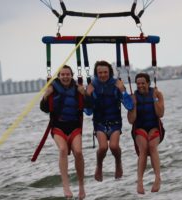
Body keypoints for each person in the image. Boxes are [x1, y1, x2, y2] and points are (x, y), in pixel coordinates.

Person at [40, 65, 86, 199]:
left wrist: (85, 94)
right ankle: (66, 186)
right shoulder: (52, 89)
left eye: (67, 74)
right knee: (62, 150)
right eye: (62, 75)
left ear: (71, 75)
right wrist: (45, 96)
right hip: (58, 127)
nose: (65, 77)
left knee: (78, 152)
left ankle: (81, 186)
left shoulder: (78, 89)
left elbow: (89, 106)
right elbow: (44, 109)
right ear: (59, 76)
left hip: (74, 127)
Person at [85, 60, 134, 182]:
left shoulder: (117, 85)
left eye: (105, 72)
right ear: (96, 73)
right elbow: (88, 112)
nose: (102, 75)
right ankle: (99, 166)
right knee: (102, 148)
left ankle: (118, 162)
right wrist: (87, 95)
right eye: (100, 72)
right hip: (99, 123)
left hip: (115, 123)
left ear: (110, 72)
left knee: (113, 146)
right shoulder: (92, 86)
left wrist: (123, 90)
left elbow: (129, 106)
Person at [127, 73, 165, 194]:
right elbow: (131, 120)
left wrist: (155, 99)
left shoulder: (157, 94)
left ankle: (158, 178)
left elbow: (160, 114)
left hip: (155, 128)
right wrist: (133, 105)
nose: (140, 86)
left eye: (143, 83)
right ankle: (140, 181)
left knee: (152, 146)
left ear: (148, 83)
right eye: (138, 83)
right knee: (143, 148)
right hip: (139, 128)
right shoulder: (133, 97)